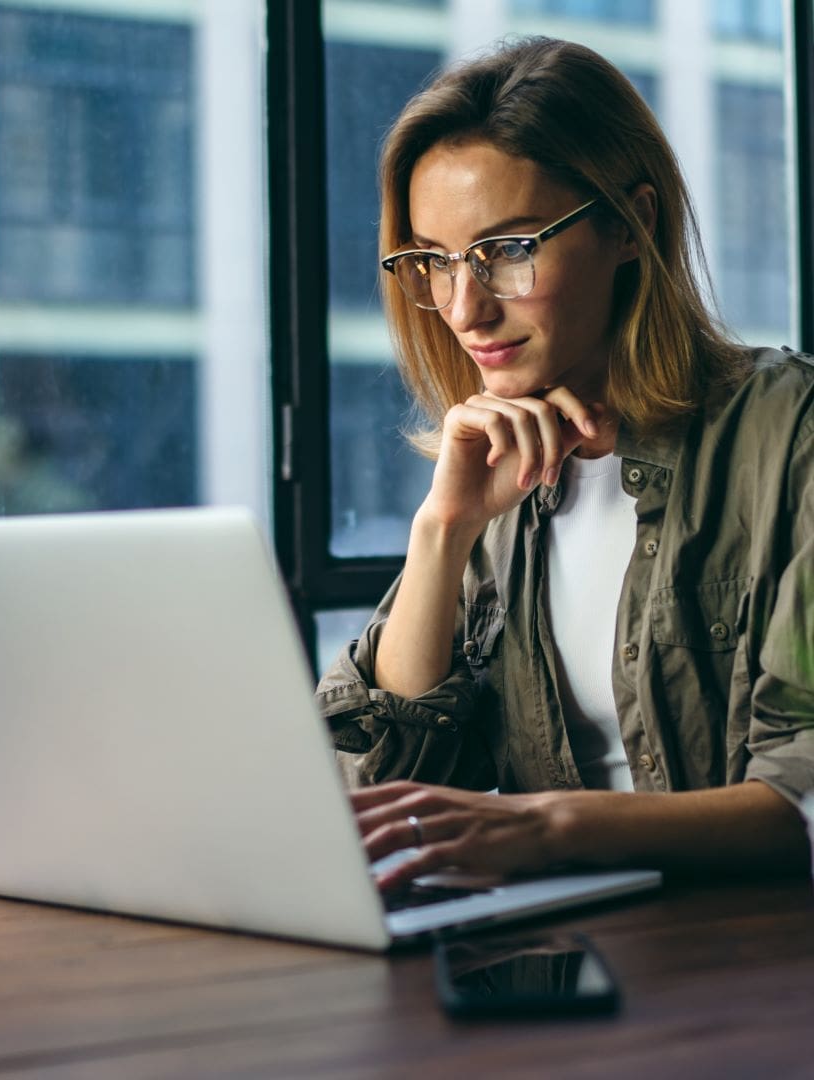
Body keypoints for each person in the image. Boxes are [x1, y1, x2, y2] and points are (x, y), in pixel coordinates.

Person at [316, 36, 814, 891]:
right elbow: (376, 795)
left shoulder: (788, 434)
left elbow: (802, 800)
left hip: (750, 976)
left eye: (508, 250)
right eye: (434, 261)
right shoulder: (491, 471)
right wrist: (442, 533)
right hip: (554, 966)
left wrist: (548, 826)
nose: (463, 308)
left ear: (630, 224)